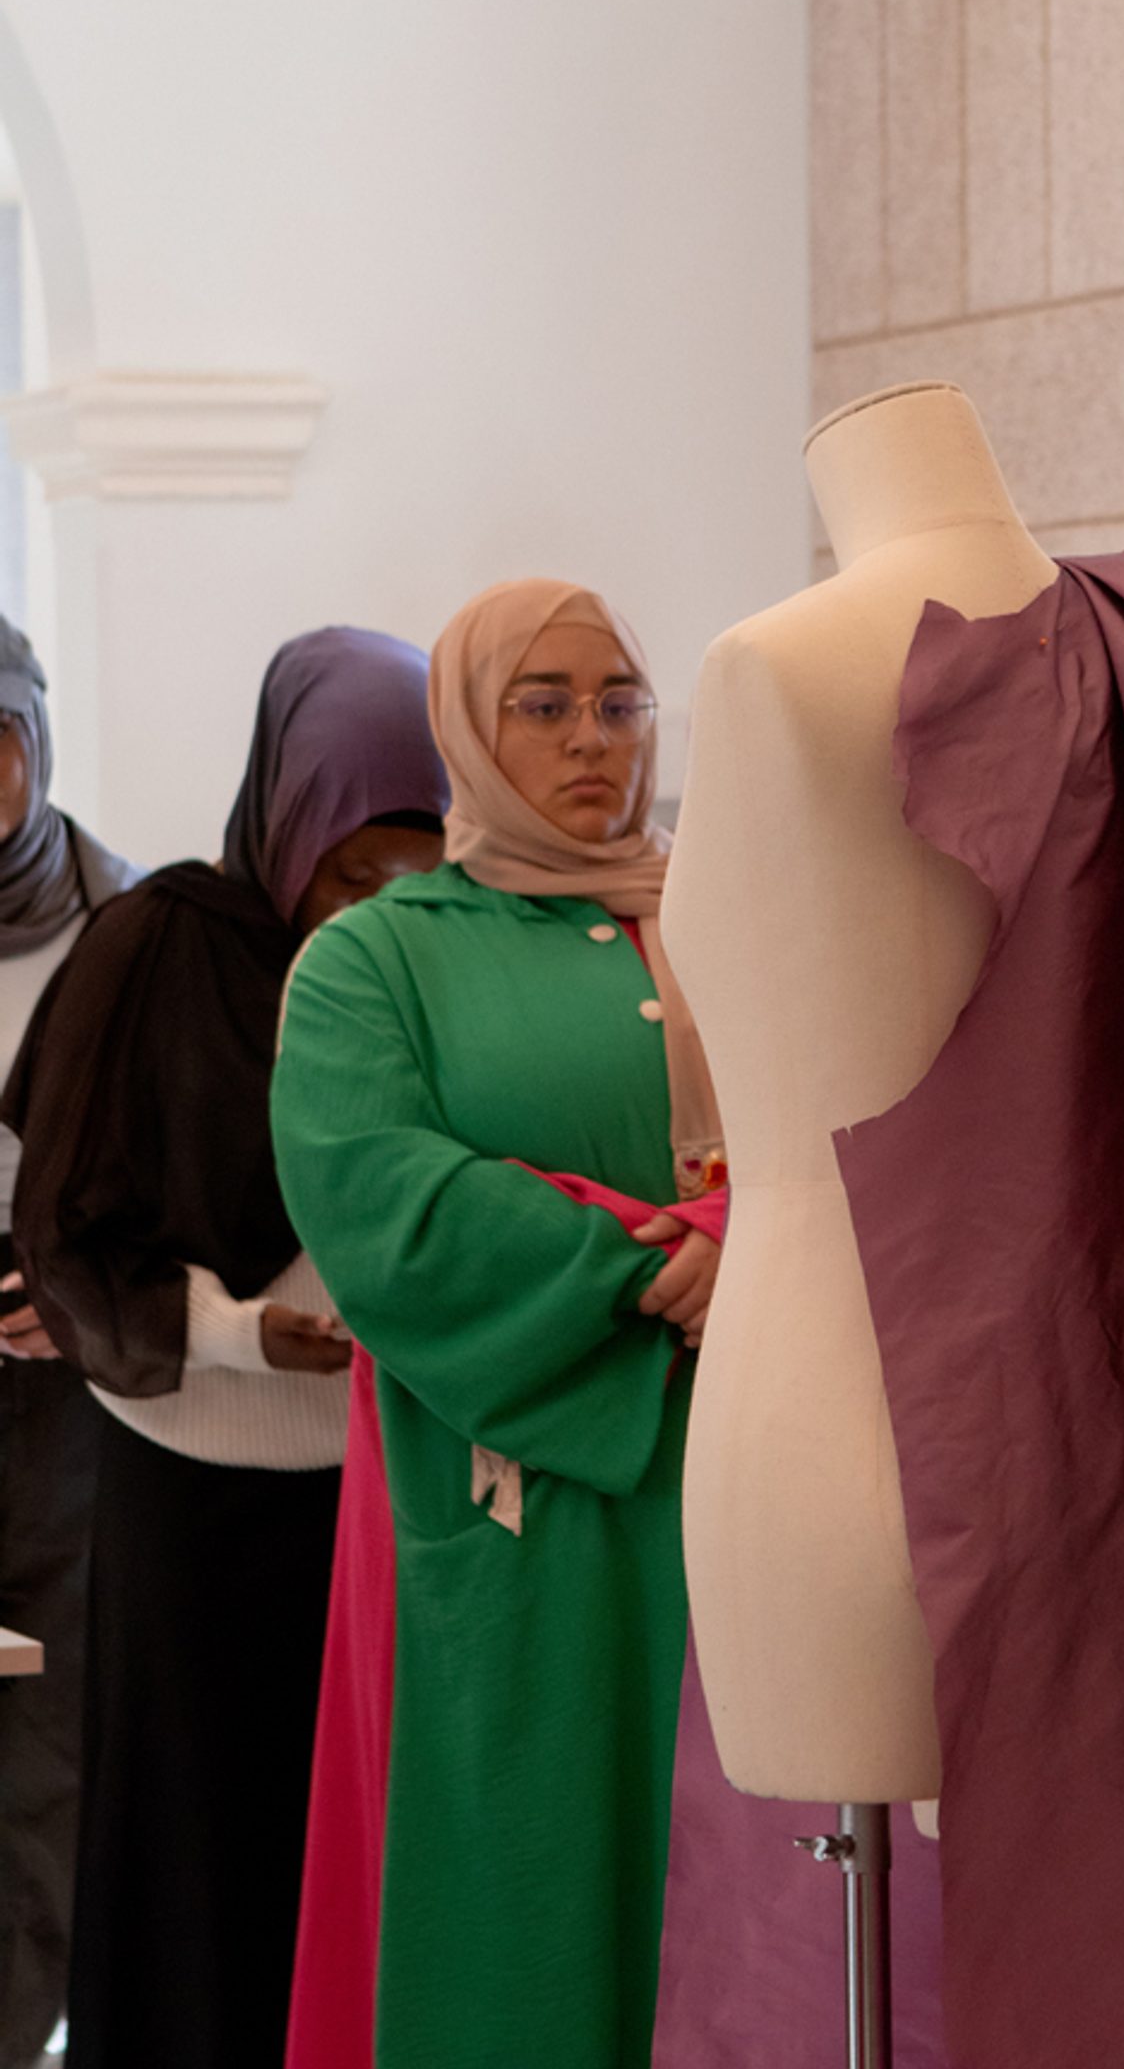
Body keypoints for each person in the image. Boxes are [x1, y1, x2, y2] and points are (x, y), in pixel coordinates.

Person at [272, 580, 722, 2069]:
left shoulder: (739, 922)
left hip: (745, 1471)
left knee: (739, 1889)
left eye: (619, 700)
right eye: (542, 704)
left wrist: (749, 1235)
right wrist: (633, 1265)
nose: (591, 737)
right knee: (531, 1884)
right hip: (523, 1485)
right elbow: (380, 1195)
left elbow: (857, 1141)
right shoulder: (376, 961)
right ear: (467, 730)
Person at [5, 629, 447, 2069]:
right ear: (287, 823)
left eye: (414, 866)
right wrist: (243, 1334)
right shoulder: (159, 944)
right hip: (188, 1486)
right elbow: (72, 1219)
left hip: (383, 1483)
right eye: (348, 867)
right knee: (193, 1846)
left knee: (363, 1844)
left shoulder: (440, 963)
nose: (375, 902)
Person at [0, 621, 137, 2069]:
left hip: (78, 1380)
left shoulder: (131, 925)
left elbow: (195, 1163)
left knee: (53, 1751)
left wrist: (96, 1289)